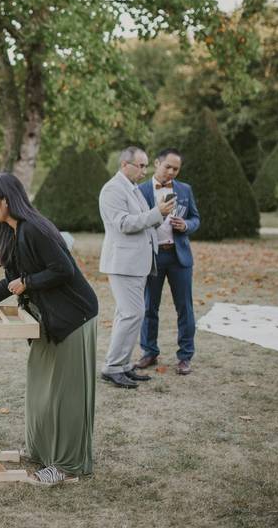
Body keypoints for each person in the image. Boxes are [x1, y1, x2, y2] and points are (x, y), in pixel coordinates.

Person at [0, 173, 99, 486]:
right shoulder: (11, 233)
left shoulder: (34, 229)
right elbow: (11, 283)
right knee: (41, 392)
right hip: (47, 322)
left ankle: (66, 468)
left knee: (65, 397)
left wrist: (30, 282)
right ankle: (43, 452)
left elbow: (63, 269)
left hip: (73, 317)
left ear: (7, 201)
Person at [99, 146, 174, 389]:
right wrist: (156, 213)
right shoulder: (112, 189)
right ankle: (112, 367)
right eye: (140, 165)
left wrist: (162, 214)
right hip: (123, 263)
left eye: (145, 166)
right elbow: (124, 224)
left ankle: (121, 366)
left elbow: (144, 221)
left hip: (137, 262)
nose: (144, 170)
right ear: (124, 165)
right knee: (132, 314)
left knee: (129, 314)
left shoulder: (131, 188)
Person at [136, 148, 201, 375]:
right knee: (149, 306)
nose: (172, 172)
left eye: (176, 169)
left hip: (179, 256)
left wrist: (187, 226)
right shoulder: (140, 190)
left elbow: (195, 218)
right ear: (157, 164)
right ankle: (149, 351)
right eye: (168, 167)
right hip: (152, 256)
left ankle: (185, 356)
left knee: (184, 307)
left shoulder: (185, 190)